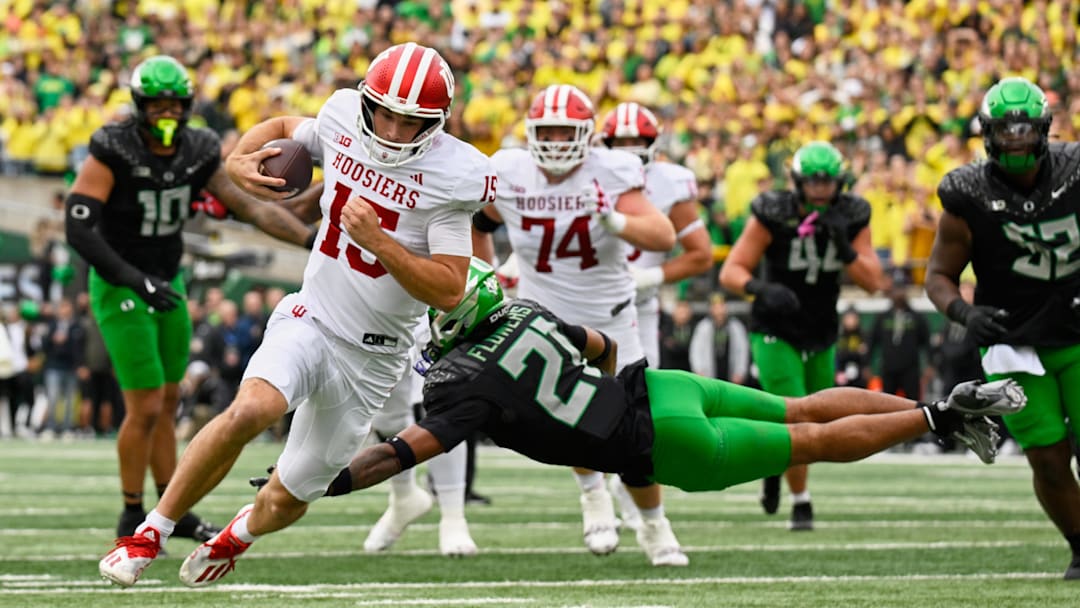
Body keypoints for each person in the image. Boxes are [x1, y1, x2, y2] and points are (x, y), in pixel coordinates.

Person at [248, 258, 1022, 589]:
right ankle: (940, 406)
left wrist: (324, 481)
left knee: (809, 439)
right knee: (800, 410)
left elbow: (397, 452)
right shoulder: (523, 313)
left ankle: (938, 416)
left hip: (659, 442)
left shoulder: (466, 387)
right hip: (658, 388)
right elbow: (602, 346)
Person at [97, 42, 496, 588]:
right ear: (366, 103)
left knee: (290, 495)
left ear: (437, 122)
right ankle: (149, 533)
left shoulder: (454, 174)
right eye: (386, 113)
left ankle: (237, 534)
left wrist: (381, 243)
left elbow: (450, 288)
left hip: (375, 358)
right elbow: (286, 123)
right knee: (251, 410)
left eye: (413, 122)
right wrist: (239, 156)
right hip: (312, 315)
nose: (397, 131)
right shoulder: (339, 119)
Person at [64, 55, 315, 540]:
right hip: (121, 283)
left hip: (167, 279)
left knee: (169, 399)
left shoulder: (198, 149)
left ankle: (168, 507)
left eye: (173, 106)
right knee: (145, 408)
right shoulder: (112, 147)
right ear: (139, 106)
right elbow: (78, 227)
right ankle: (131, 510)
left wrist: (308, 239)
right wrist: (135, 280)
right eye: (156, 106)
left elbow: (247, 208)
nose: (166, 115)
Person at [471, 84, 684, 565]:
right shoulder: (510, 170)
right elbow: (479, 224)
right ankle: (592, 494)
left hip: (613, 318)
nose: (555, 140)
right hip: (546, 318)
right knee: (571, 419)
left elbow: (664, 235)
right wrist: (487, 276)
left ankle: (654, 525)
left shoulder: (611, 171)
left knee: (636, 432)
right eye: (546, 130)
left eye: (565, 131)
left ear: (588, 135)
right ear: (529, 132)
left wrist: (615, 222)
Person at [924, 76, 1080, 580]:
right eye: (1005, 130)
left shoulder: (1076, 174)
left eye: (1024, 129)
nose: (1015, 139)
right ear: (988, 134)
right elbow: (939, 277)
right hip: (1013, 344)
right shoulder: (967, 194)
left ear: (1043, 129)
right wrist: (966, 314)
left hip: (1077, 332)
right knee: (1049, 460)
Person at [719, 140, 884, 530]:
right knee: (797, 417)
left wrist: (845, 248)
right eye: (812, 182)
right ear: (797, 181)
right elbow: (731, 271)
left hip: (821, 327)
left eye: (827, 182)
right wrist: (761, 289)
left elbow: (874, 282)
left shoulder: (853, 214)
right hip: (775, 326)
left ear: (840, 182)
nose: (820, 190)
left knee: (821, 417)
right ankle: (801, 501)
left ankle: (775, 468)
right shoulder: (773, 212)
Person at [596, 102, 713, 369]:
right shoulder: (586, 174)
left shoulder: (670, 182)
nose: (629, 149)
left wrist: (651, 277)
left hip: (640, 304)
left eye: (636, 140)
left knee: (639, 390)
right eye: (621, 141)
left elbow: (702, 255)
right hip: (587, 297)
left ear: (653, 142)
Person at [689, 293, 750, 384]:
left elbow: (743, 350)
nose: (719, 310)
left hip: (730, 374)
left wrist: (740, 372)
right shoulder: (703, 327)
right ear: (710, 309)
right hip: (709, 375)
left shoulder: (736, 326)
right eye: (715, 307)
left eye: (721, 306)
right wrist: (698, 370)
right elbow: (695, 350)